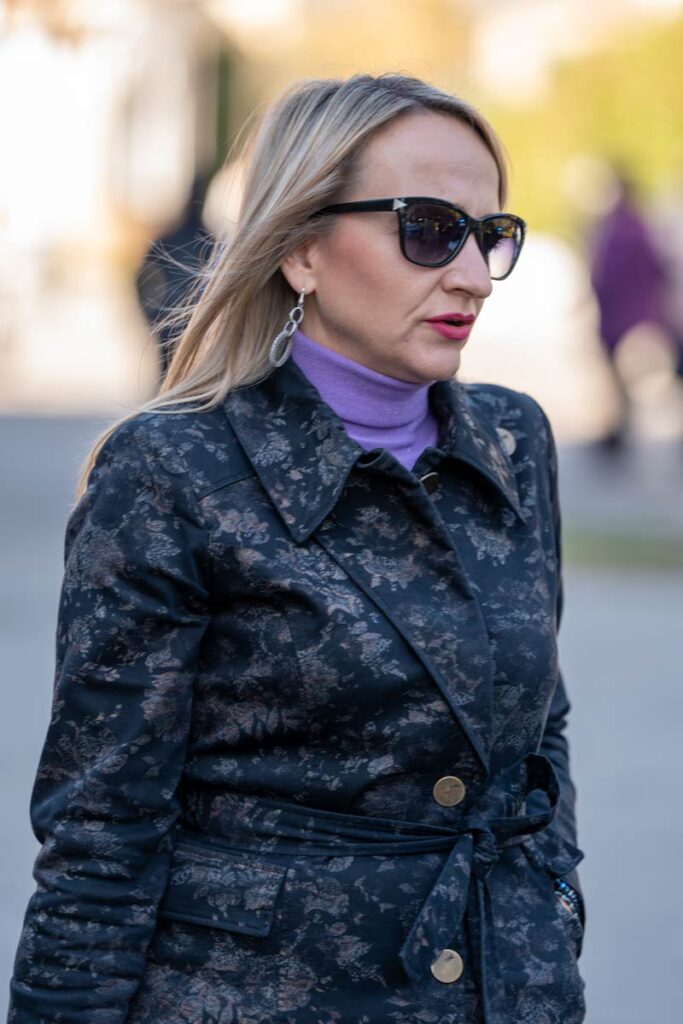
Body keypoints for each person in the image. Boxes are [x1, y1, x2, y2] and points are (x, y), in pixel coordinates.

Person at [8, 73, 586, 1024]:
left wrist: (549, 904)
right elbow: (102, 831)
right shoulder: (173, 467)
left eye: (489, 235)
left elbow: (535, 738)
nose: (474, 277)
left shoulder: (511, 440)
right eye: (428, 229)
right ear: (301, 247)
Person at [589, 169, 669, 452]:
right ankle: (618, 431)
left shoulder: (619, 230)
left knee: (622, 380)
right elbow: (659, 271)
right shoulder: (639, 228)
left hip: (621, 317)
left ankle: (618, 432)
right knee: (626, 381)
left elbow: (605, 275)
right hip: (638, 314)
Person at [135, 172, 215, 378]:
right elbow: (142, 277)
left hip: (186, 319)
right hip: (171, 317)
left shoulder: (208, 240)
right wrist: (151, 313)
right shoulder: (184, 239)